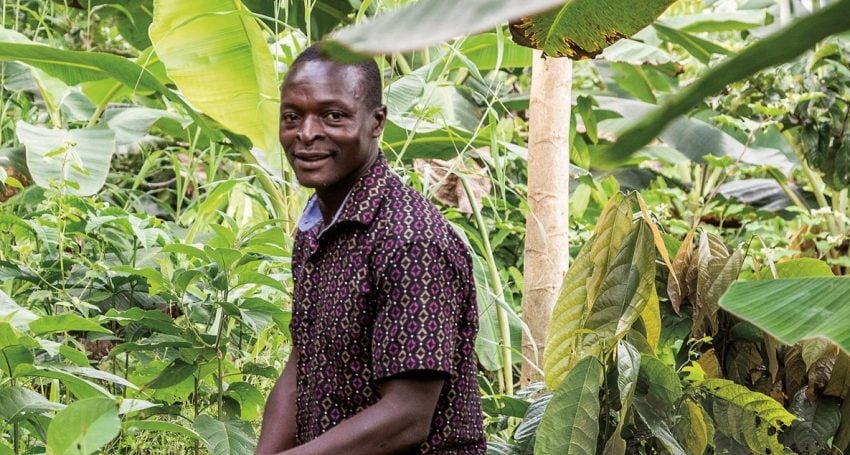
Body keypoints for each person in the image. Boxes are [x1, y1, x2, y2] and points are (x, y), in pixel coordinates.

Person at [255, 44, 486, 454]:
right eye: (292, 117)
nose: (306, 133)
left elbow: (408, 415)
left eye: (333, 116)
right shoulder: (317, 228)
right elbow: (304, 362)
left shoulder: (411, 240)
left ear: (377, 121)